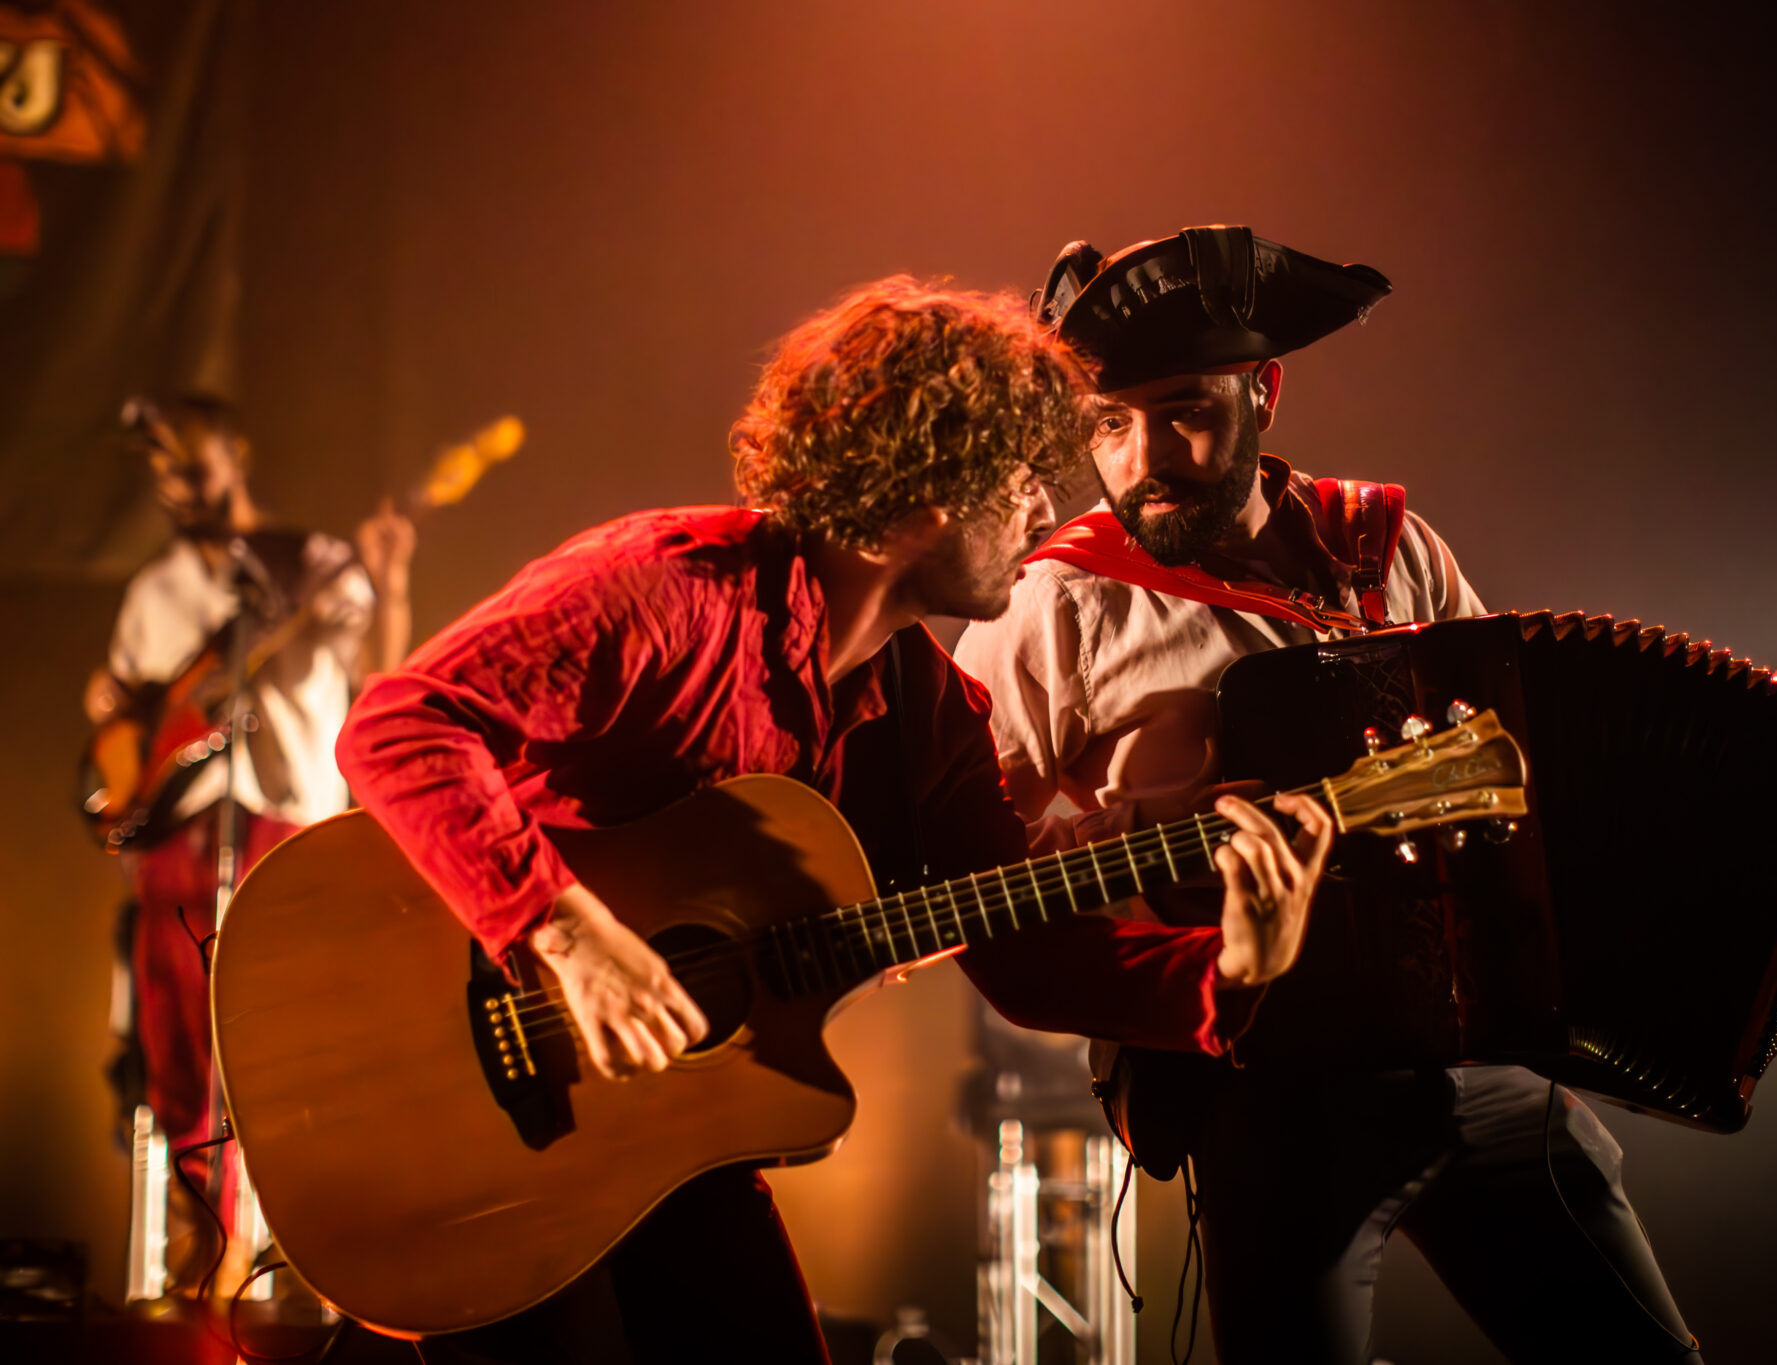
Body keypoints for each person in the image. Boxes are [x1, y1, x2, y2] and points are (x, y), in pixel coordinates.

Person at [333, 277, 1335, 1364]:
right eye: (1014, 480)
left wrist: (1225, 975)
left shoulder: (932, 715)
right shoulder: (670, 587)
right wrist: (568, 937)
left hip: (674, 1143)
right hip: (471, 1116)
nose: (1041, 514)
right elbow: (397, 725)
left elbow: (1029, 951)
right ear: (928, 496)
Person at [952, 227, 1777, 1363]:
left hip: (1479, 1073)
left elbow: (1530, 782)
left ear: (1263, 393)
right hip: (1261, 1088)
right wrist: (1163, 840)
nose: (1145, 458)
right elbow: (972, 852)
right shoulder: (1051, 605)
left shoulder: (1386, 552)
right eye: (1108, 424)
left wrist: (1742, 923)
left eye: (1184, 409)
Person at [87, 393, 414, 1291]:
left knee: (286, 1045)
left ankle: (311, 1251)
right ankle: (201, 1247)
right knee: (179, 1046)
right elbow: (117, 707)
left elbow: (382, 673)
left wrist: (390, 581)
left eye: (191, 465)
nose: (176, 486)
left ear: (237, 455)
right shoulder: (153, 589)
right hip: (181, 837)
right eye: (161, 472)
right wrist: (123, 750)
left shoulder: (313, 564)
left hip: (287, 821)